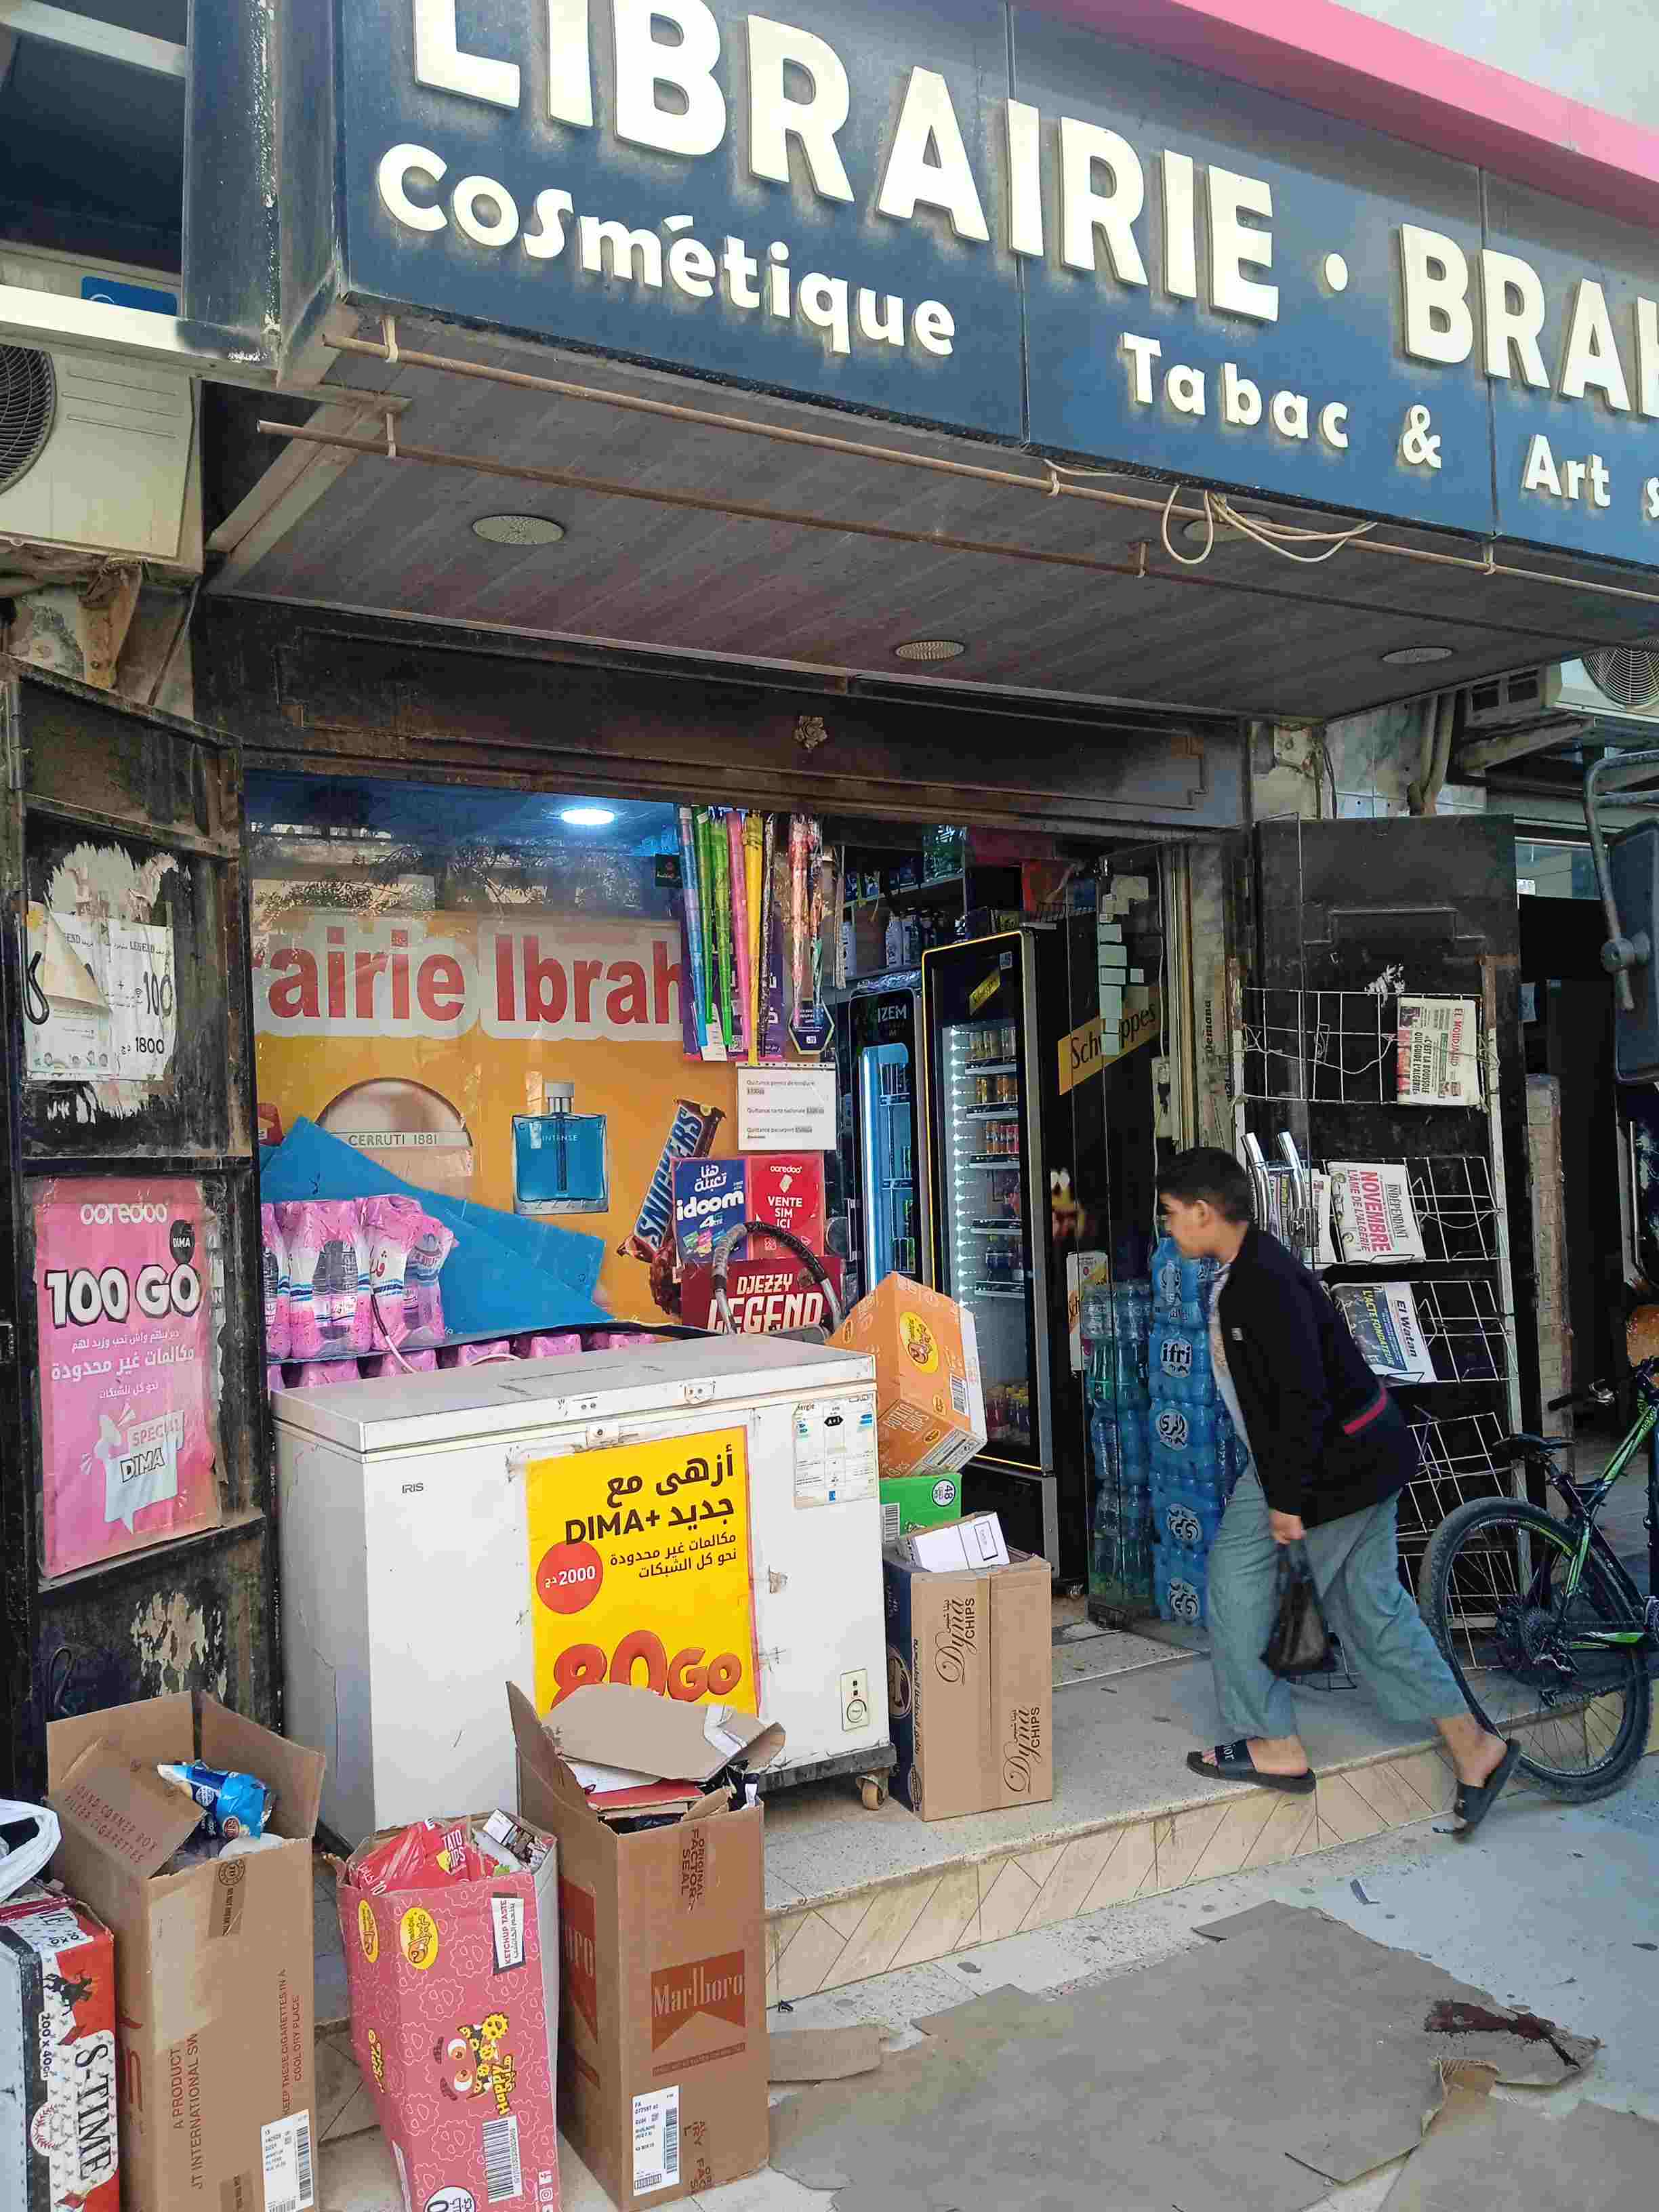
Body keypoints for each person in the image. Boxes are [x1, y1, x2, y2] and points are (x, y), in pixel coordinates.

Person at [1155, 1147, 1519, 1839]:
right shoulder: (1250, 1269)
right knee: (1373, 1609)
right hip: (1361, 1461)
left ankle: (1274, 1743)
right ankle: (1475, 1747)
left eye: (1172, 1214)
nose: (1168, 1228)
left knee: (1237, 1584)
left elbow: (1302, 1401)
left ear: (1203, 1212)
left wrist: (1287, 1501)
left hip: (1325, 1470)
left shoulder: (1263, 1282)